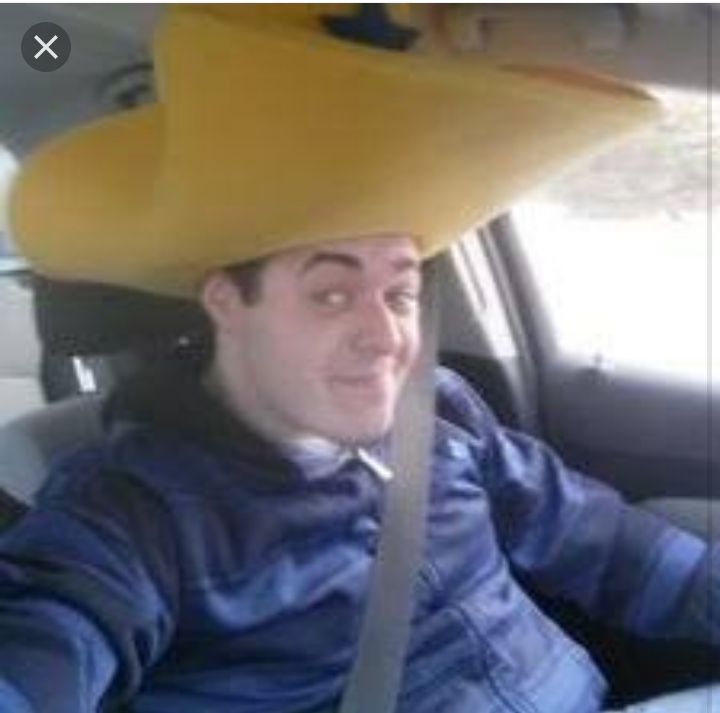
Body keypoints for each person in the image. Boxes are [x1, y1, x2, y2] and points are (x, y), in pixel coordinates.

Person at [0, 5, 717, 713]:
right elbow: (48, 637)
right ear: (227, 302)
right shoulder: (134, 508)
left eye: (400, 293)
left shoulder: (438, 407)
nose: (386, 336)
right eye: (332, 295)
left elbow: (606, 547)